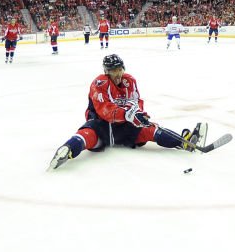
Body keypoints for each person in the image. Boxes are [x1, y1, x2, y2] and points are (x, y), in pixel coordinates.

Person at [48, 54, 205, 170]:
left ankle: (183, 142)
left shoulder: (129, 81)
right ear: (106, 71)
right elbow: (104, 111)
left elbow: (137, 101)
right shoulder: (99, 83)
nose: (117, 74)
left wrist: (139, 115)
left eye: (119, 69)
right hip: (101, 124)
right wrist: (128, 114)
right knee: (88, 135)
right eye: (113, 70)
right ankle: (68, 149)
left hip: (124, 126)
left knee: (150, 130)